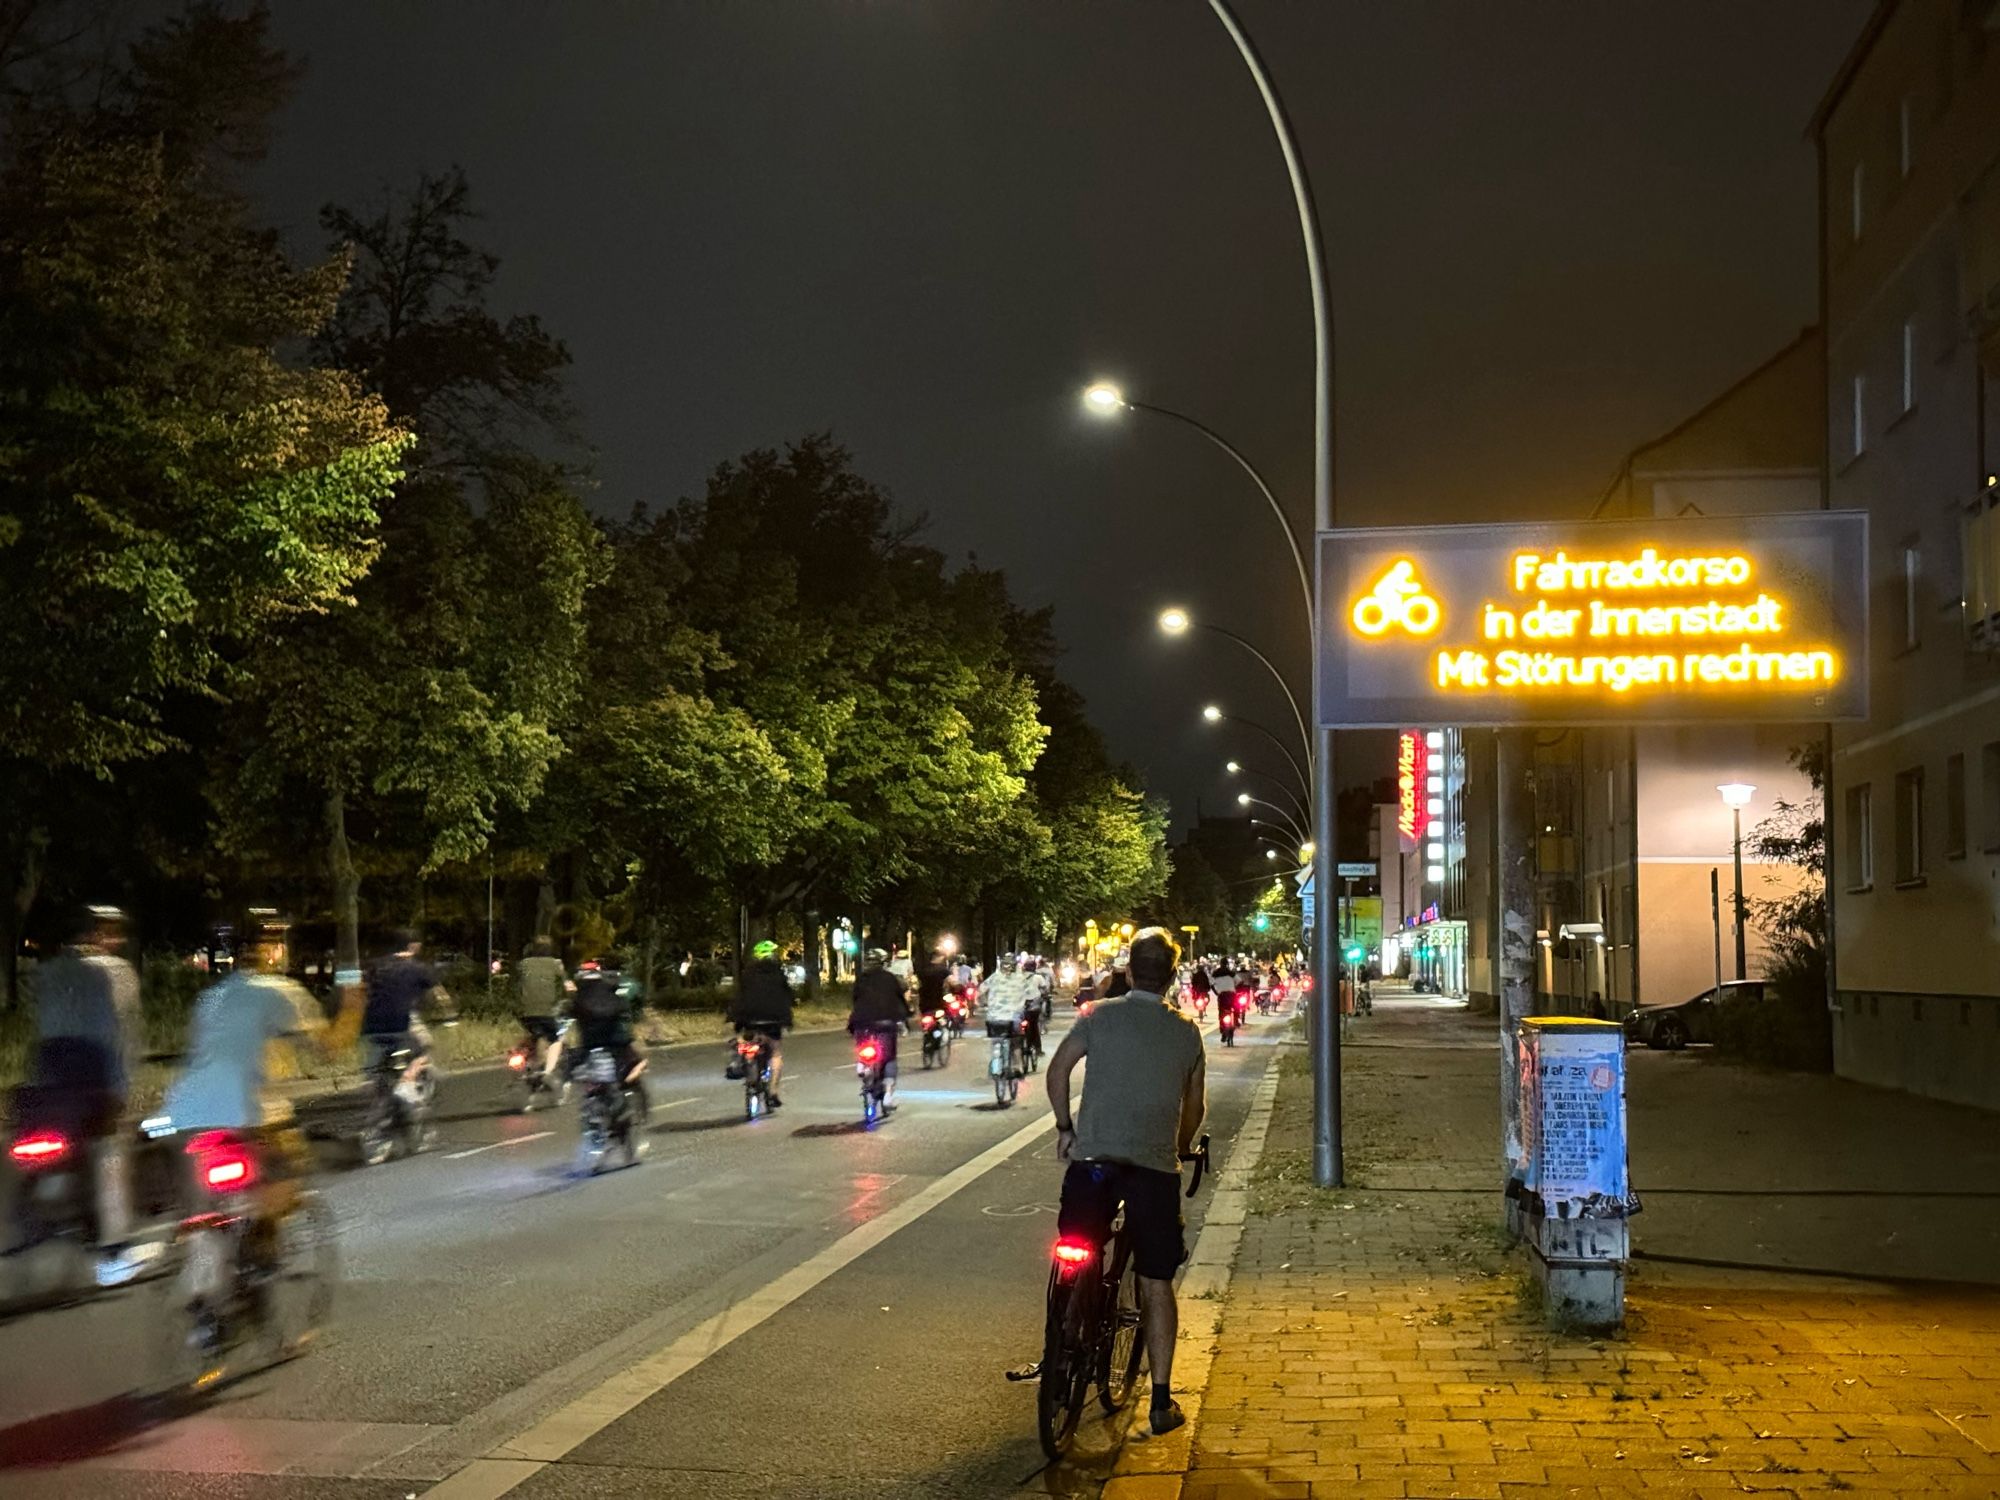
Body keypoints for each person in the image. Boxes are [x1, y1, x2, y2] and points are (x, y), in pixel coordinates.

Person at [1046, 927, 1205, 1437]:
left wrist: (1066, 1128)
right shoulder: (1185, 1031)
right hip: (1154, 1169)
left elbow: (1058, 1072)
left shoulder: (1097, 1016)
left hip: (1092, 1161)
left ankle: (1063, 1346)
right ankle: (1160, 1401)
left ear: (1129, 972)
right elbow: (1194, 1106)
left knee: (1076, 1248)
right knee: (1155, 1280)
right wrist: (1178, 1146)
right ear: (1173, 976)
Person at [161, 914, 327, 1235]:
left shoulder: (210, 997)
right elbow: (328, 1045)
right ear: (273, 948)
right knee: (288, 1171)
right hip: (252, 1114)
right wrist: (353, 1003)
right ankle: (261, 1245)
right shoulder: (279, 990)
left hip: (189, 1113)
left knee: (200, 1203)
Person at [24, 905, 145, 1274]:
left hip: (48, 1070)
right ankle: (114, 1248)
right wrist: (124, 1087)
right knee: (112, 1152)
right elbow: (125, 1033)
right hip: (93, 1070)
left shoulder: (46, 972)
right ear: (101, 934)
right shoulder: (117, 972)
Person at [361, 930, 449, 1093]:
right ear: (412, 946)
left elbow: (362, 991)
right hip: (402, 1019)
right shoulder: (418, 969)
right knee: (424, 1046)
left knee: (378, 1050)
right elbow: (439, 996)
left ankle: (371, 1076)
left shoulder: (375, 966)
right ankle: (409, 1079)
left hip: (371, 1023)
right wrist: (448, 1015)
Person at [569, 956, 647, 1132]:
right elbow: (636, 1007)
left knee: (587, 1074)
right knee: (637, 1061)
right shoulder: (624, 984)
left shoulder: (587, 989)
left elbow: (570, 1012)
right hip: (618, 1037)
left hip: (589, 1042)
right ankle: (625, 1085)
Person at [728, 939, 795, 1109]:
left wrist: (734, 1018)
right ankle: (773, 1092)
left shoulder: (747, 974)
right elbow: (787, 996)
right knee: (775, 1053)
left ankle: (740, 1061)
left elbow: (740, 997)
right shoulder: (778, 974)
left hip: (749, 1018)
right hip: (772, 1019)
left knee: (744, 1039)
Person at [846, 948, 911, 1110]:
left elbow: (855, 999)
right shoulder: (890, 979)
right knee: (889, 1058)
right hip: (885, 1023)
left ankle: (862, 1065)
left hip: (861, 1021)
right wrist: (904, 1018)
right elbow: (899, 1001)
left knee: (862, 1046)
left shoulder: (861, 979)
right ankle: (888, 1095)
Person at [515, 937, 572, 1088]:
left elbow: (518, 984)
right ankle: (547, 1071)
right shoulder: (556, 964)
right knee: (556, 1038)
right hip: (547, 1011)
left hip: (524, 1012)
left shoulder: (523, 964)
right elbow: (569, 987)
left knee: (535, 1034)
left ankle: (527, 1061)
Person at [982, 952, 1038, 1074]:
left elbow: (981, 991)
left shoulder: (994, 978)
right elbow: (1032, 994)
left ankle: (995, 1060)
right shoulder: (1021, 979)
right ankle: (1017, 1066)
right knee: (1016, 1041)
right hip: (1013, 1018)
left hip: (993, 1018)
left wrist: (984, 1003)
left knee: (996, 1039)